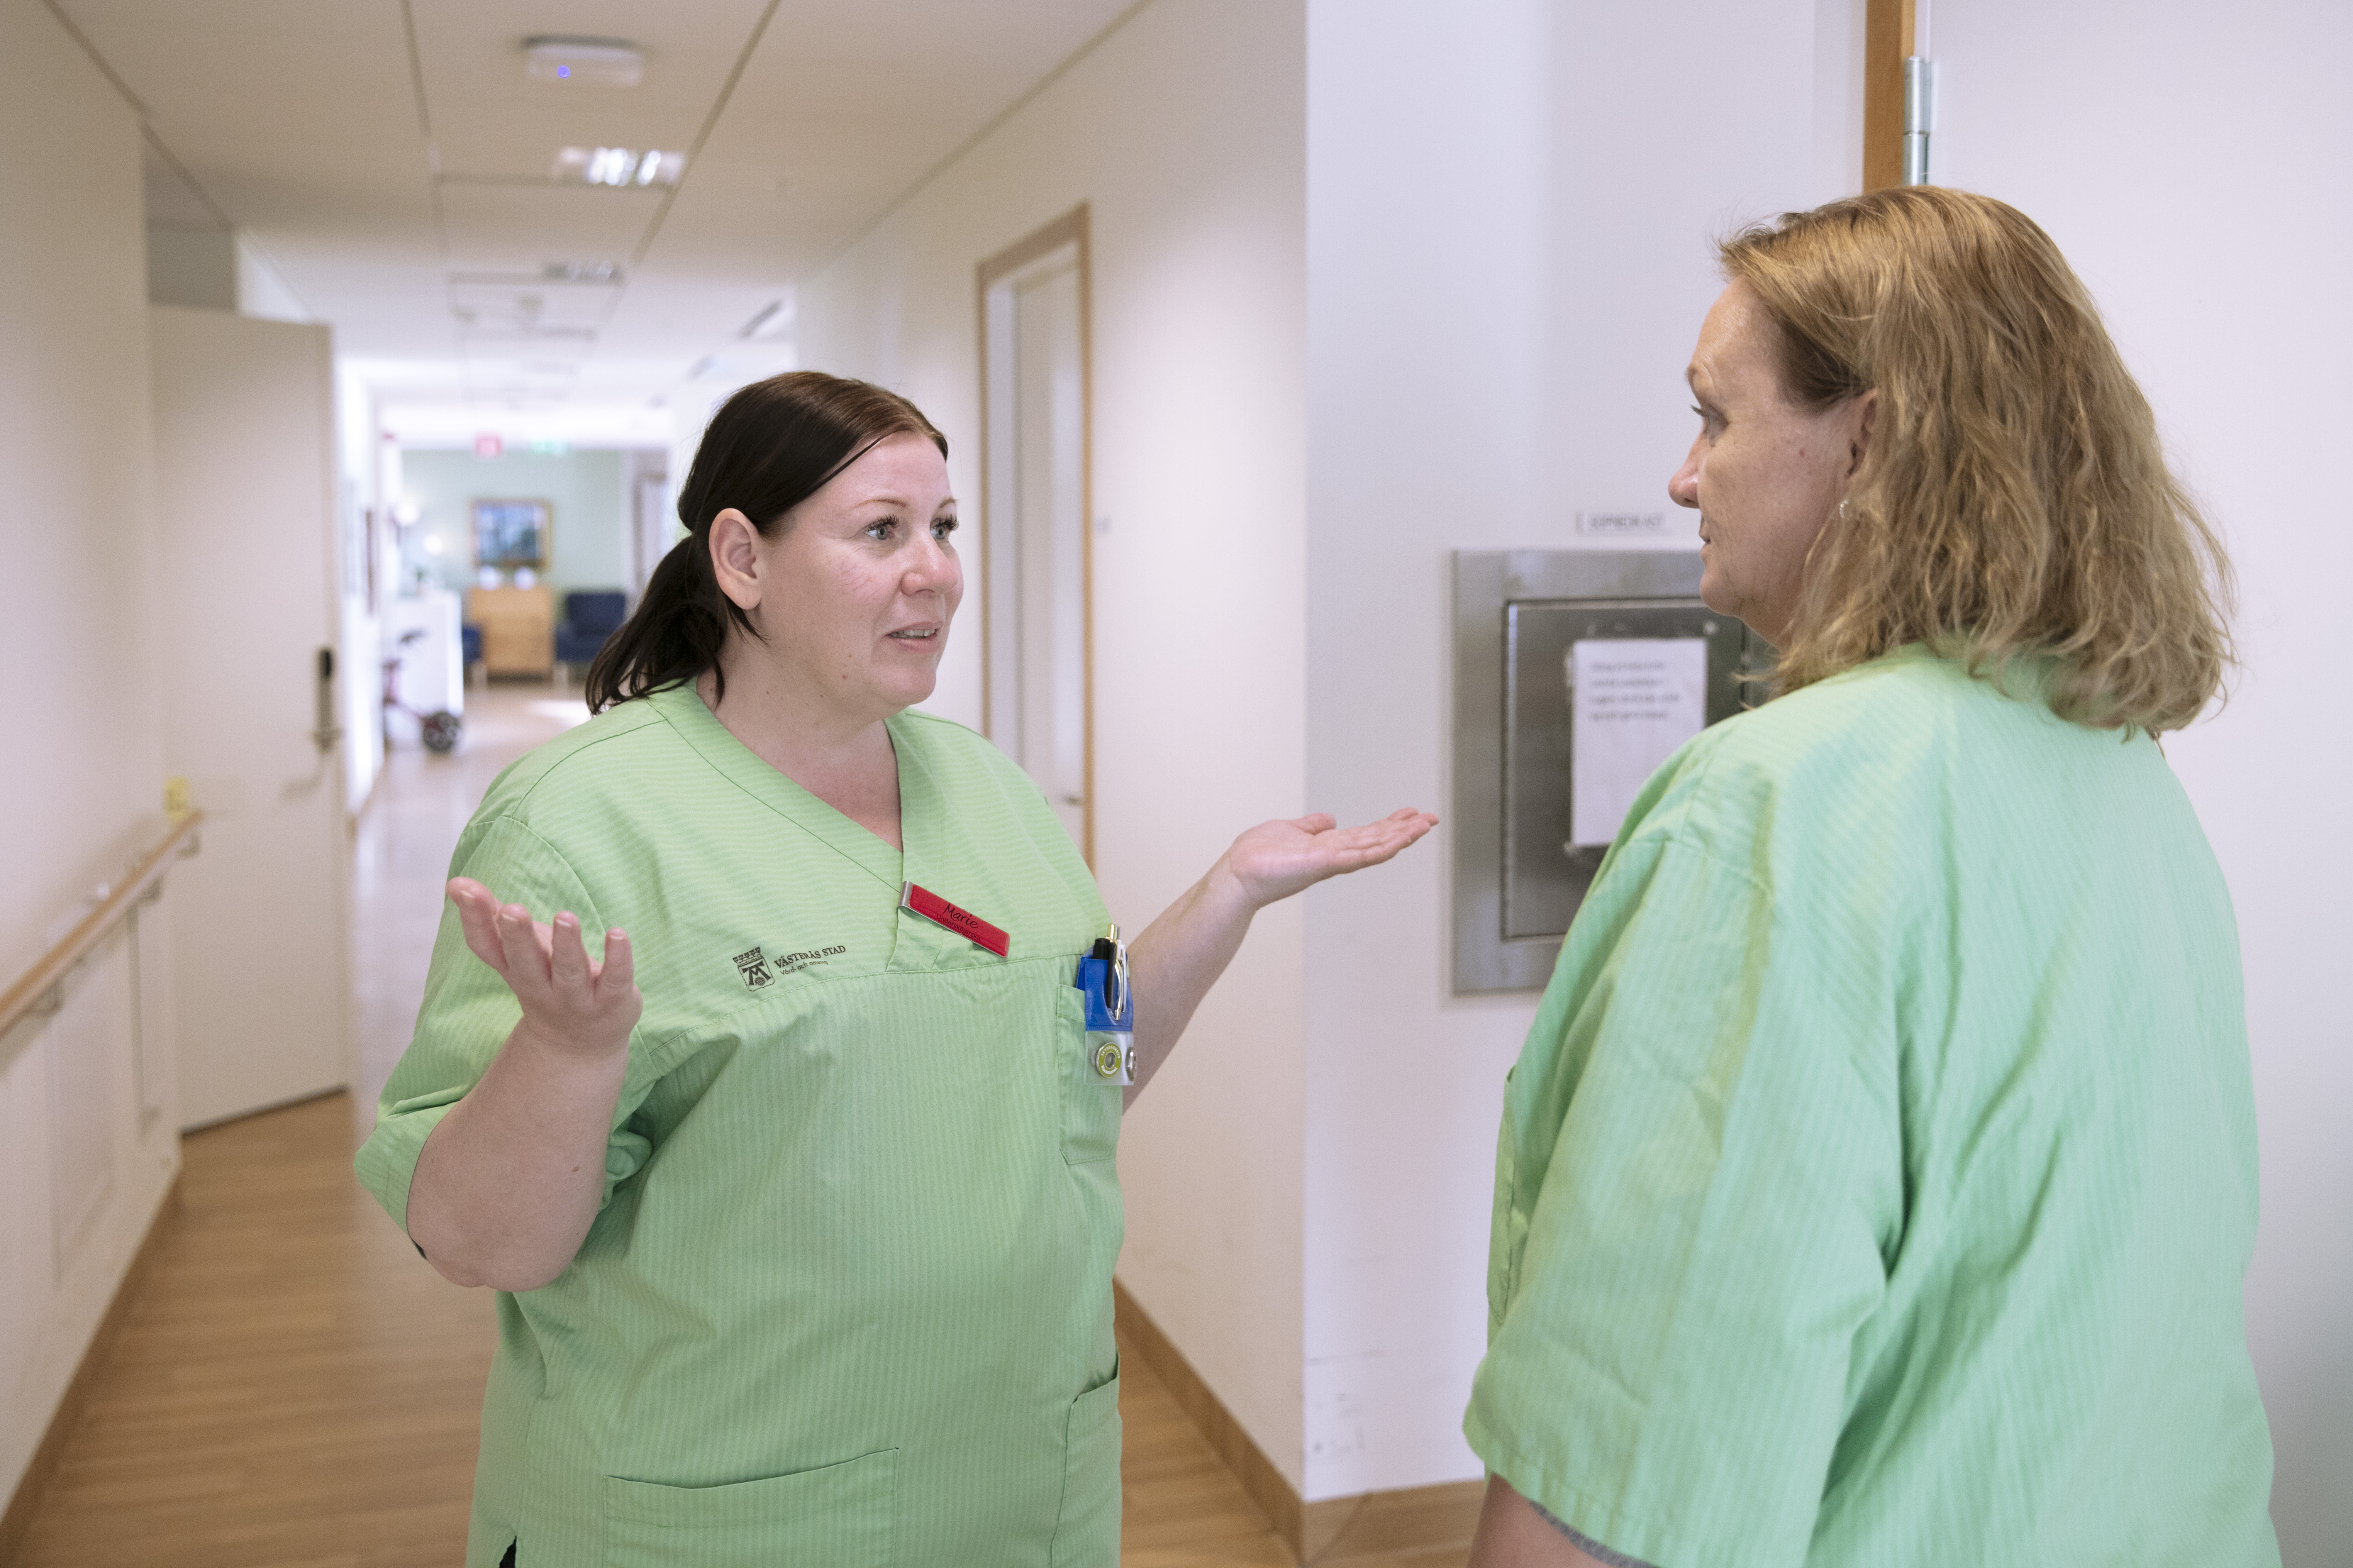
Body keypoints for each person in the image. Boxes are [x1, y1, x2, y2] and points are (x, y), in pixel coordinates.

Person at [355, 371, 1435, 1567]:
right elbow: (477, 1244)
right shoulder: (581, 823)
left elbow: (1091, 1067)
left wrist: (1224, 897)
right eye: (882, 531)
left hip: (1022, 1491)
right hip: (728, 1515)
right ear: (742, 559)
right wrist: (566, 1052)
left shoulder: (989, 791)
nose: (936, 571)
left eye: (945, 527)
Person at [1463, 187, 2277, 1567]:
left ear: (1876, 439)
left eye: (1717, 417)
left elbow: (1612, 1485)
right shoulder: (2126, 781)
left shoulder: (1779, 811)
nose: (1682, 474)